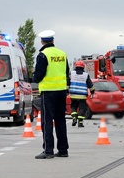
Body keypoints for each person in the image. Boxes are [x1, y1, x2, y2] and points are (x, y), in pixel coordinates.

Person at [33, 30, 70, 158]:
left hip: (48, 92)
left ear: (42, 41)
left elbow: (38, 76)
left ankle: (48, 150)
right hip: (61, 91)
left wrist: (34, 77)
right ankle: (63, 150)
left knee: (47, 121)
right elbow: (66, 72)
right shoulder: (62, 54)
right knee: (60, 120)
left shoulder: (43, 55)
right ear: (53, 41)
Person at [69, 60, 94, 128]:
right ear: (83, 67)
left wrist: (67, 91)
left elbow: (67, 83)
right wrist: (92, 92)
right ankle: (80, 122)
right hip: (82, 96)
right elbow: (90, 85)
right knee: (82, 108)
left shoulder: (71, 74)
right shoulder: (86, 75)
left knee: (73, 107)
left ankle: (74, 117)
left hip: (73, 95)